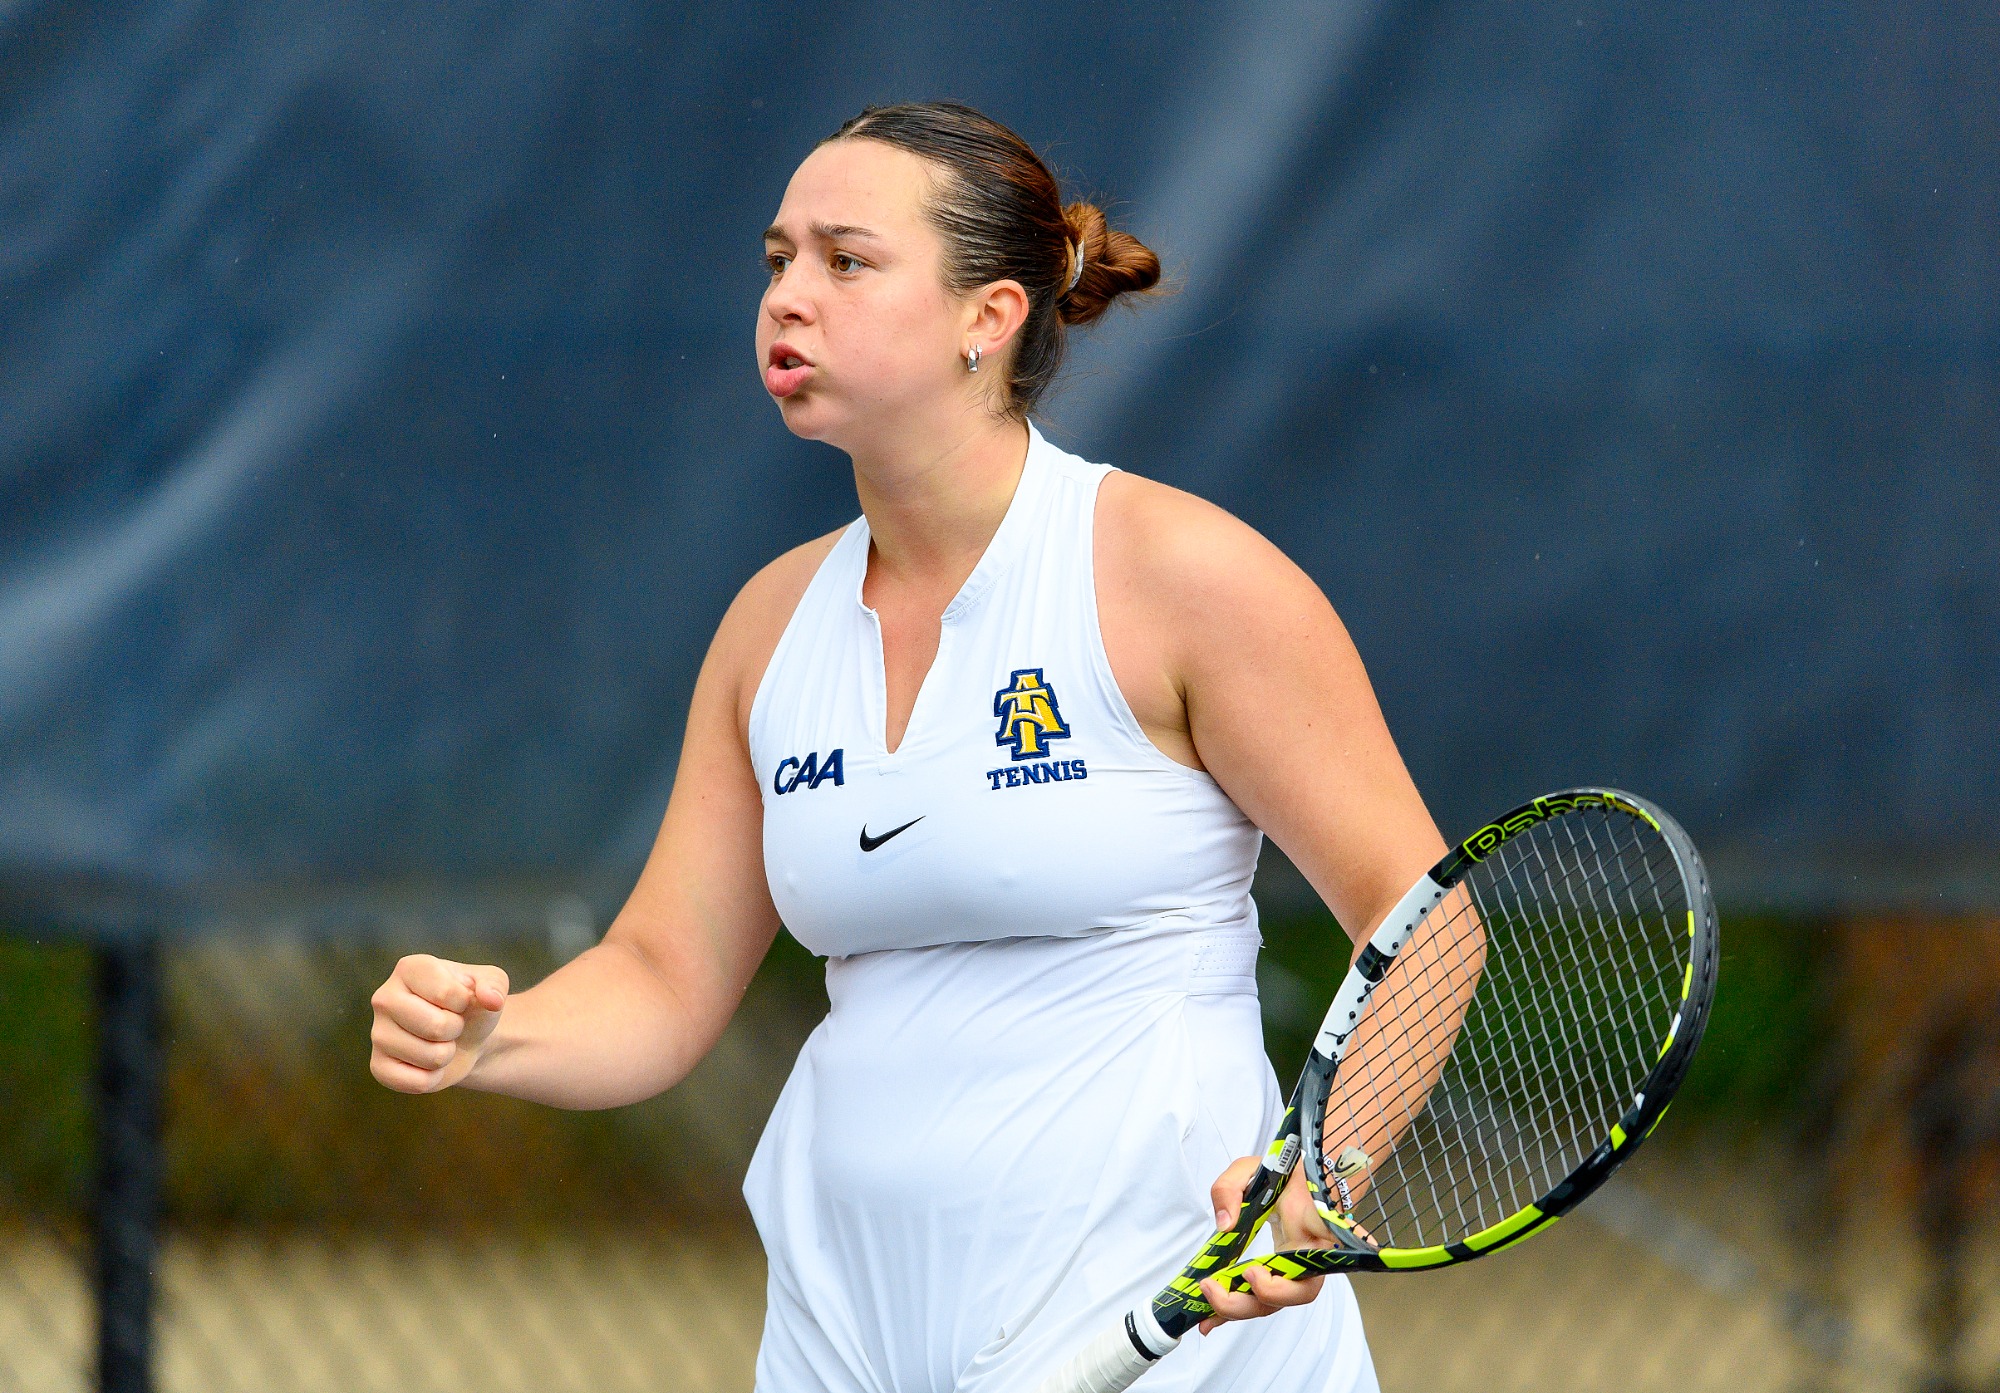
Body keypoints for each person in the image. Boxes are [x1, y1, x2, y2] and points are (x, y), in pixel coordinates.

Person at [369, 101, 1446, 1392]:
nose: (788, 297)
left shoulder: (1181, 576)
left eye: (846, 260)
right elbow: (662, 975)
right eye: (778, 260)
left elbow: (1426, 920)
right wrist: (493, 1039)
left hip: (1181, 1341)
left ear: (987, 317)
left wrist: (1317, 1175)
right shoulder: (770, 628)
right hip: (846, 1343)